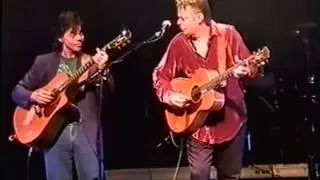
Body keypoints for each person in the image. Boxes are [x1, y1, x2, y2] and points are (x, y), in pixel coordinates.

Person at [152, 0, 260, 179]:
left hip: (230, 122)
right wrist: (170, 96)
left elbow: (252, 70)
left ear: (199, 17)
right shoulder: (178, 43)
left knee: (230, 176)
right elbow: (160, 75)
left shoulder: (228, 34)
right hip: (197, 123)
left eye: (183, 18)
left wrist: (247, 70)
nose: (178, 22)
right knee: (199, 174)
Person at [11, 10, 114, 180]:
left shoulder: (91, 62)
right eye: (73, 34)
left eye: (81, 33)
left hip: (85, 131)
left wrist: (105, 71)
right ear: (60, 38)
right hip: (53, 132)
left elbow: (109, 93)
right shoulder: (44, 62)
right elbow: (17, 91)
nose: (80, 37)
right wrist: (33, 95)